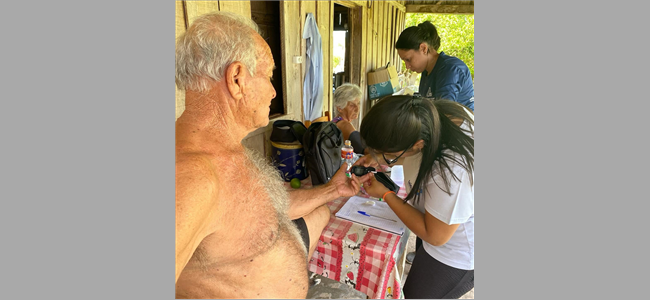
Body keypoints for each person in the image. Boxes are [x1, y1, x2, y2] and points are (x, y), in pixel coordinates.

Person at [175, 12, 364, 299]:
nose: (274, 91)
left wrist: (332, 190)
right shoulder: (193, 177)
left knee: (321, 212)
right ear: (237, 79)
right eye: (269, 75)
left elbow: (260, 209)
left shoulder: (226, 149)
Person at [357, 95, 474, 299]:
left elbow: (435, 235)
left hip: (456, 253)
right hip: (438, 226)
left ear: (417, 144)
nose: (382, 158)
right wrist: (376, 158)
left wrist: (386, 194)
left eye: (386, 154)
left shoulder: (452, 170)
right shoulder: (427, 117)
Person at [395, 21, 474, 111]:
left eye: (408, 59)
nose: (407, 66)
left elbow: (445, 113)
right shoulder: (426, 71)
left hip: (459, 124)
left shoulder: (450, 69)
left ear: (423, 48)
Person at [332, 83, 367, 154]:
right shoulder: (344, 125)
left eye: (358, 103)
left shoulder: (337, 121)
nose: (357, 109)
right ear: (340, 108)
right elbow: (365, 149)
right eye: (352, 105)